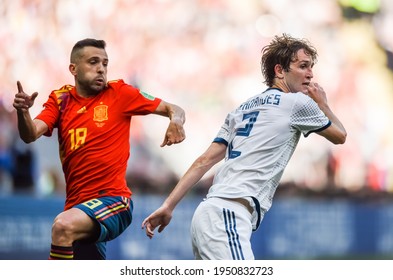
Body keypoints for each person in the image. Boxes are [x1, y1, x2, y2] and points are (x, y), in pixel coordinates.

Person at [142, 33, 347, 260]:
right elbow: (340, 136)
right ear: (279, 71)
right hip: (229, 213)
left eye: (311, 68)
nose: (310, 74)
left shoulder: (241, 109)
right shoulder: (297, 103)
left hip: (206, 215)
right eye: (303, 66)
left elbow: (204, 161)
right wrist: (324, 104)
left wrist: (169, 205)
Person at [13, 38, 186, 260]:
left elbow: (174, 108)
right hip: (77, 207)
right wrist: (23, 112)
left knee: (62, 226)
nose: (101, 69)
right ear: (73, 69)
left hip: (114, 202)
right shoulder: (60, 99)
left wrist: (176, 121)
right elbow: (29, 134)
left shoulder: (120, 93)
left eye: (105, 64)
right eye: (93, 62)